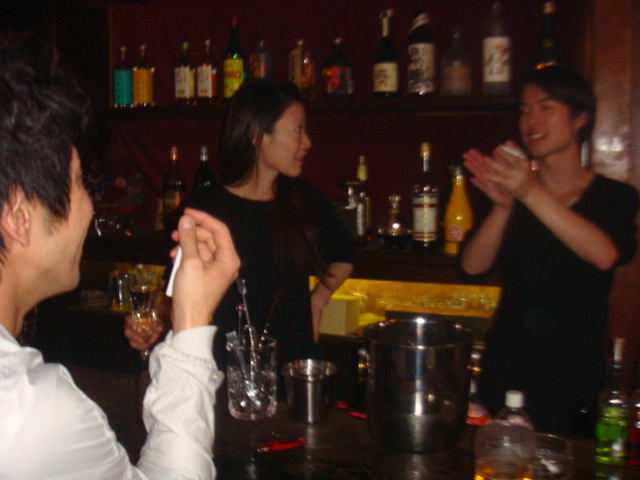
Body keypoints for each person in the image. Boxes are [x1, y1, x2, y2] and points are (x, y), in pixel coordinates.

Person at [0, 42, 240, 479]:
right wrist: (191, 324)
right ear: (19, 217)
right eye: (79, 183)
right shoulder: (32, 410)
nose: (90, 207)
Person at [126, 79, 355, 372]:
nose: (307, 142)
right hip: (225, 370)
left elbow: (345, 254)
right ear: (259, 136)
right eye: (298, 130)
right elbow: (175, 295)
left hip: (294, 368)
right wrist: (153, 323)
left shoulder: (304, 199)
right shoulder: (205, 207)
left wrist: (318, 301)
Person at [460, 65, 639, 434]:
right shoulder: (515, 191)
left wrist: (528, 191)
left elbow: (604, 255)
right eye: (524, 110)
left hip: (573, 378)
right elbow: (472, 267)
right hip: (505, 373)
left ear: (580, 117)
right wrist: (503, 206)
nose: (531, 120)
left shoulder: (614, 197)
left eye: (546, 107)